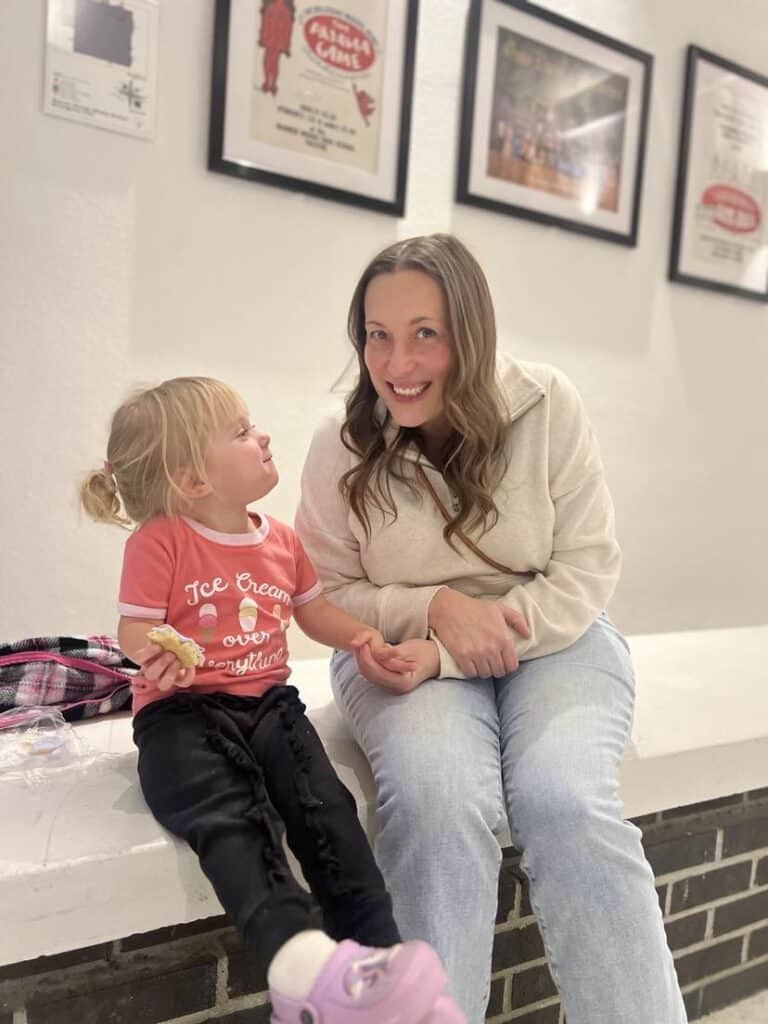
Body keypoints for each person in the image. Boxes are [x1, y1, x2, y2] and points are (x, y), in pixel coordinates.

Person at [295, 234, 688, 1024]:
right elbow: (326, 590)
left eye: (424, 334)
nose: (396, 363)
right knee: (438, 801)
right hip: (399, 653)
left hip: (558, 640)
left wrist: (459, 648)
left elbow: (586, 567)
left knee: (565, 801)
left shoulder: (547, 404)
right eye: (378, 335)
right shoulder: (342, 444)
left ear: (470, 335)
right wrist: (434, 611)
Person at [79, 376, 464, 1024]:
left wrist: (364, 635)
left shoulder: (281, 541)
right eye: (240, 431)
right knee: (225, 810)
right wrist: (157, 651)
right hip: (182, 712)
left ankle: (379, 965)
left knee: (328, 810)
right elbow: (135, 628)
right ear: (194, 481)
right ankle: (300, 965)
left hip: (269, 706)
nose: (261, 435)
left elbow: (314, 615)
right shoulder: (160, 542)